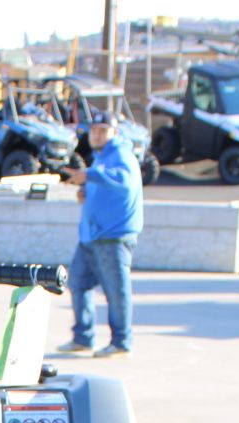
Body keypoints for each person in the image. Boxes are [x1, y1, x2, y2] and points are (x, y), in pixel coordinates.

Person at [59, 113, 143, 357]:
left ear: (114, 133)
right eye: (94, 130)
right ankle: (82, 338)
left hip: (113, 236)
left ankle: (121, 342)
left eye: (103, 130)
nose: (96, 135)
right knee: (78, 283)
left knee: (116, 291)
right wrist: (85, 192)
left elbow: (123, 181)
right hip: (91, 236)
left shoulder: (121, 154)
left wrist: (89, 176)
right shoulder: (101, 157)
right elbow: (104, 186)